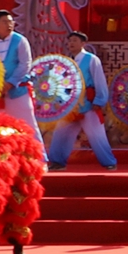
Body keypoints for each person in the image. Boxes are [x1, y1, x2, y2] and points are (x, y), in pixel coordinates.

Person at [46, 31, 116, 171]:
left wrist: (99, 101)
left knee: (97, 135)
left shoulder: (91, 59)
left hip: (88, 104)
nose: (71, 43)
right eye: (70, 40)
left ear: (83, 43)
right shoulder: (66, 61)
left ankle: (109, 162)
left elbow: (99, 80)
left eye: (75, 40)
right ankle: (58, 162)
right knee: (61, 133)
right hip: (70, 106)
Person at [0, 10, 43, 147]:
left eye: (11, 22)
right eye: (5, 22)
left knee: (29, 126)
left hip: (18, 92)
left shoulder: (20, 41)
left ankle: (40, 157)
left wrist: (10, 83)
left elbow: (25, 64)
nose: (9, 25)